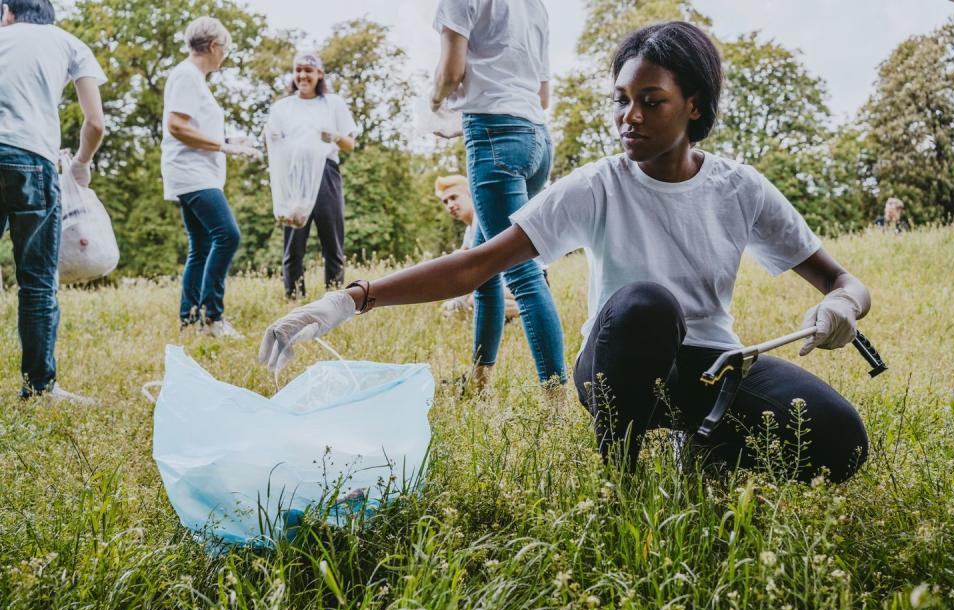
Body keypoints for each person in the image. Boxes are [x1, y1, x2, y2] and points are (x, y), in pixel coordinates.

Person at [261, 22, 873, 483]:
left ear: (695, 106)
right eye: (620, 99)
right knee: (645, 306)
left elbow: (845, 281)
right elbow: (478, 264)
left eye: (650, 100)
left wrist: (843, 304)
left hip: (711, 367)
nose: (627, 117)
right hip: (617, 363)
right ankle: (624, 469)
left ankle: (704, 447)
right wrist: (351, 299)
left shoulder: (739, 188)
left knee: (843, 442)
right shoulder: (598, 184)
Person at [428, 0, 565, 390]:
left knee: (520, 271)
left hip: (493, 135)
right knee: (484, 267)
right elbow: (542, 96)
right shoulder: (534, 7)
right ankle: (479, 382)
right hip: (536, 139)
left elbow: (451, 73)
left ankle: (555, 405)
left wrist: (435, 102)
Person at [0, 0, 106, 403]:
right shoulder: (69, 44)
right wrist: (80, 164)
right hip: (33, 160)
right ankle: (39, 387)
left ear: (8, 11)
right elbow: (95, 123)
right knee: (38, 282)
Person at [161, 16, 261, 338]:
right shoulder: (187, 75)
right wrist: (223, 147)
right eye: (226, 48)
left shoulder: (193, 78)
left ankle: (189, 320)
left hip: (196, 173)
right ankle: (212, 318)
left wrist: (232, 142)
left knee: (201, 246)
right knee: (227, 235)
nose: (226, 54)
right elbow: (176, 126)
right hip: (193, 176)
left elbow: (195, 127)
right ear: (215, 46)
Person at [265, 50, 358, 298]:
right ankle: (294, 298)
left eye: (308, 70)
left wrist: (336, 137)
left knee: (332, 240)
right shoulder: (282, 108)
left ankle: (335, 299)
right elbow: (272, 145)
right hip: (295, 177)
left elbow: (351, 143)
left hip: (326, 173)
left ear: (319, 73)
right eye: (298, 70)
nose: (302, 75)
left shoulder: (333, 103)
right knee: (294, 243)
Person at [435, 175, 519, 321]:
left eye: (454, 197)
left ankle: (527, 310)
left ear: (470, 195)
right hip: (498, 282)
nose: (450, 205)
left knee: (476, 299)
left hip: (520, 280)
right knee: (449, 306)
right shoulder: (469, 230)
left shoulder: (485, 220)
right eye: (445, 202)